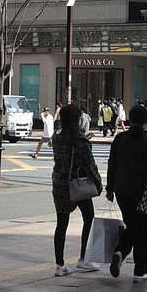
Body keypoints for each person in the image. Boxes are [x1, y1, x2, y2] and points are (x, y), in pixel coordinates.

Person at [105, 104, 147, 282]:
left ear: (130, 119)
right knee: (144, 231)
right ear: (146, 120)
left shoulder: (120, 139)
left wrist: (109, 188)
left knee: (131, 225)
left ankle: (120, 252)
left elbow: (112, 164)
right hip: (142, 192)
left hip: (122, 190)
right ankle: (140, 271)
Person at [51, 104, 102, 276]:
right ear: (76, 119)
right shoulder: (80, 140)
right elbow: (90, 165)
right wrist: (99, 184)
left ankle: (60, 265)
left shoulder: (56, 137)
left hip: (60, 184)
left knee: (61, 224)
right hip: (77, 186)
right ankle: (84, 258)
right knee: (89, 218)